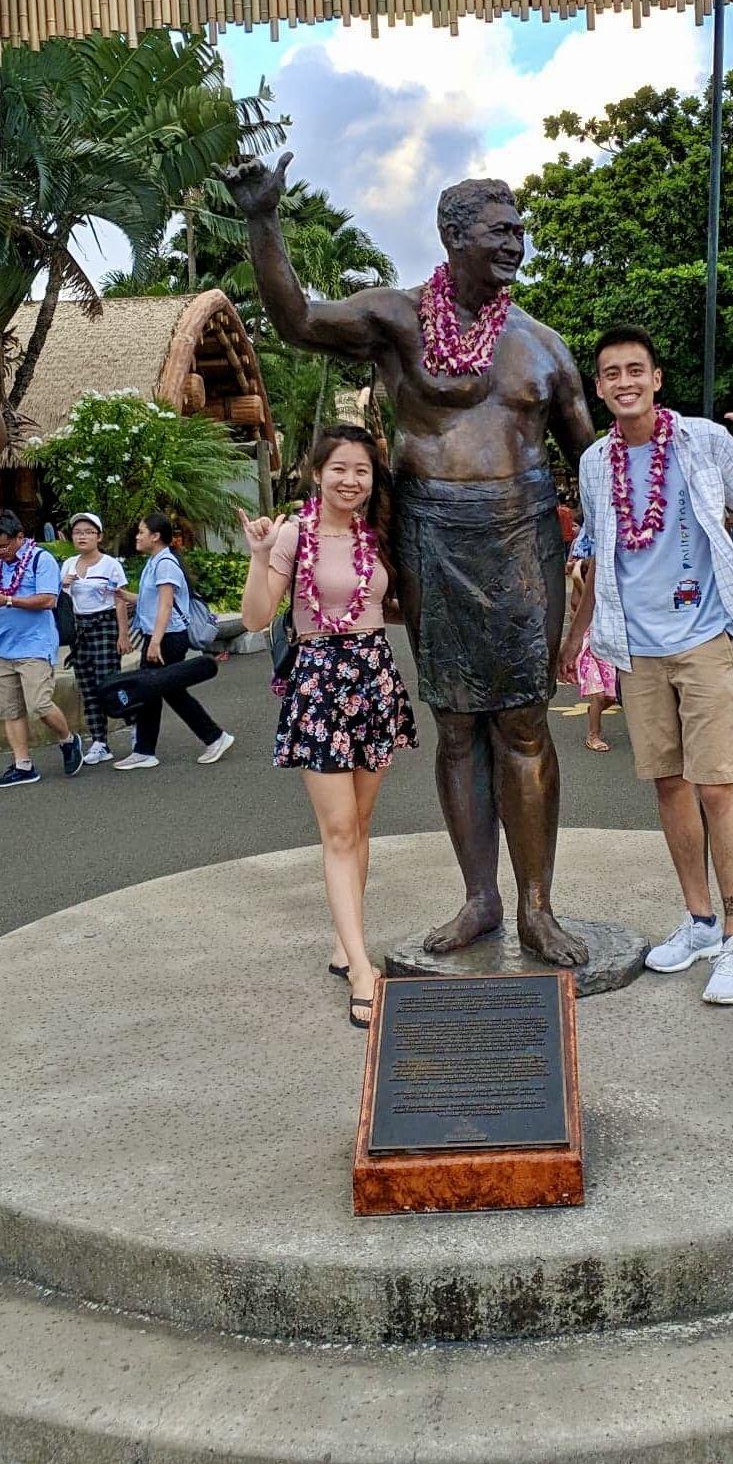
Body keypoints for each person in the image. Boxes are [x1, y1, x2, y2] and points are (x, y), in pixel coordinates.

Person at [239, 157, 598, 967]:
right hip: (433, 538)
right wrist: (264, 219)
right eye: (501, 229)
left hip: (521, 543)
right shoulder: (398, 321)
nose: (517, 241)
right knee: (458, 725)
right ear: (454, 235)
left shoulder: (543, 348)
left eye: (519, 228)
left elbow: (598, 469)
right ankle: (480, 898)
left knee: (524, 723)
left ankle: (538, 905)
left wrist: (602, 583)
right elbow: (297, 319)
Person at [557, 328, 733, 1008]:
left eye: (636, 369)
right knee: (667, 785)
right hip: (638, 647)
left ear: (657, 378)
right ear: (599, 388)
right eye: (610, 373)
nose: (624, 380)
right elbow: (598, 553)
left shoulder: (706, 441)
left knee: (718, 787)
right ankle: (700, 923)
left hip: (706, 638)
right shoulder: (595, 463)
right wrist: (576, 635)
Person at [239, 426, 418, 1028]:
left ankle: (348, 941)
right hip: (320, 682)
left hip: (372, 675)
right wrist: (260, 556)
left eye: (362, 470)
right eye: (339, 468)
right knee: (339, 830)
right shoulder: (294, 534)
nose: (351, 480)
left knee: (362, 823)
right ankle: (362, 970)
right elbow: (258, 617)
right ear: (318, 473)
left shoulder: (379, 534)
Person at [110, 513, 234, 771]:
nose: (137, 536)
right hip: (158, 636)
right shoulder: (156, 561)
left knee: (165, 690)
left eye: (141, 531)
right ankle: (145, 749)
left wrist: (155, 642)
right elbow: (150, 601)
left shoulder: (165, 563)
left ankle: (214, 737)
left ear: (155, 536)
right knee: (154, 690)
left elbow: (166, 604)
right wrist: (122, 595)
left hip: (167, 638)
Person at [0, 511, 84, 787]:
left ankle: (69, 740)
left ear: (20, 537)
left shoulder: (41, 559)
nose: (0, 551)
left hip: (36, 645)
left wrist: (9, 600)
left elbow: (48, 599)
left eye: (4, 545)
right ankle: (23, 765)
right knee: (9, 709)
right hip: (3, 646)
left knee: (39, 704)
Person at [58, 511, 128, 764]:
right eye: (78, 532)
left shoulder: (110, 564)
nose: (82, 537)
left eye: (88, 532)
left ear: (99, 536)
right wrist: (62, 584)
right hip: (80, 629)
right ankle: (100, 741)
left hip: (105, 624)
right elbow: (61, 601)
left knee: (108, 682)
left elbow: (119, 599)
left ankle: (135, 725)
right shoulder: (67, 564)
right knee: (87, 685)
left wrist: (123, 634)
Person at [563, 557, 617, 750]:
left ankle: (594, 710)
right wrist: (578, 569)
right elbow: (577, 581)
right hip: (588, 652)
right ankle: (593, 735)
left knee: (612, 697)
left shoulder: (612, 593)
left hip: (608, 651)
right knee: (599, 695)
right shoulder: (581, 595)